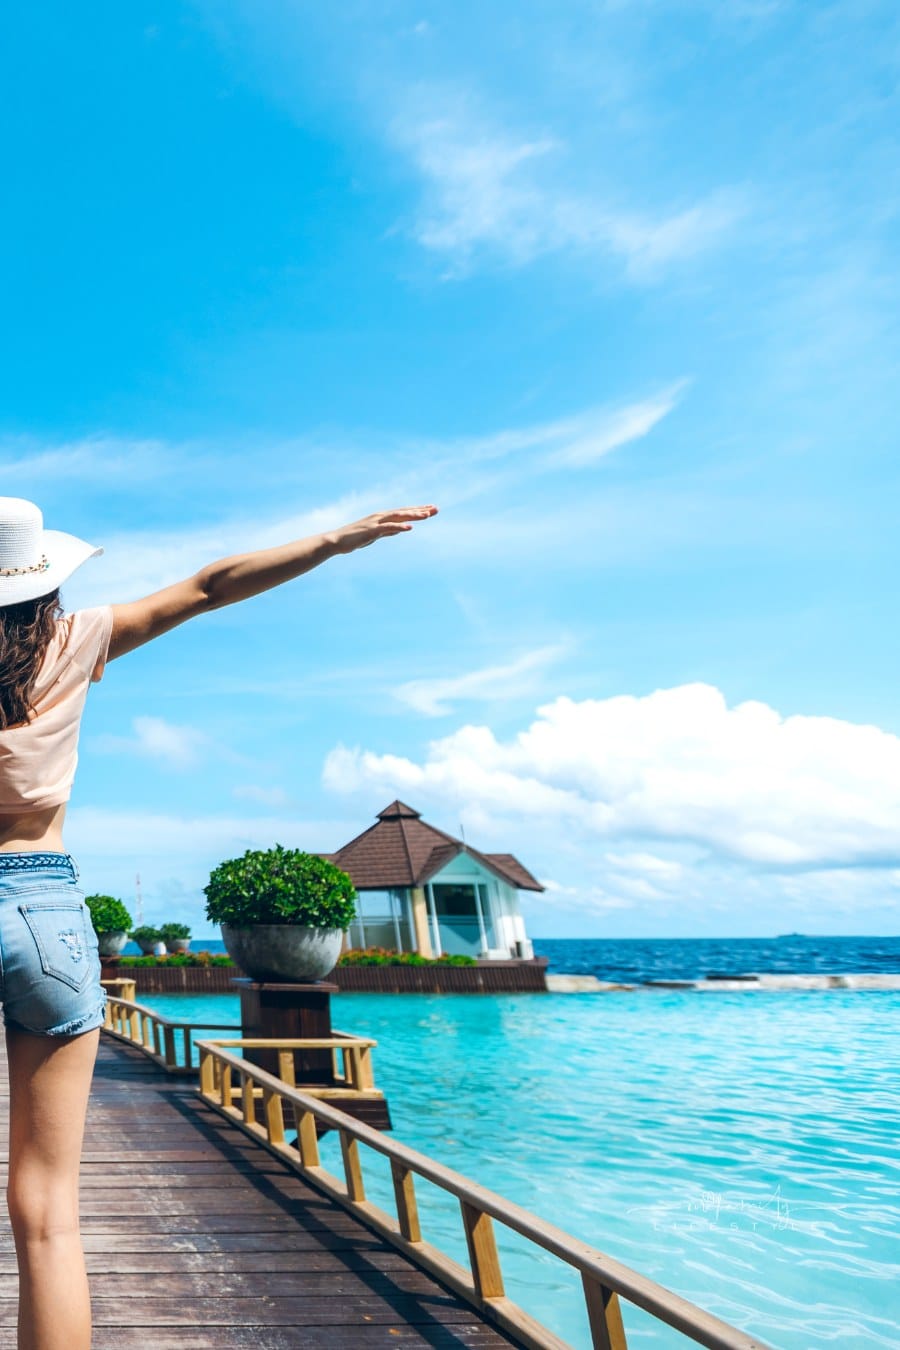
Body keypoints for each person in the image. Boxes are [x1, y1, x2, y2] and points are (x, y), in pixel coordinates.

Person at [0, 494, 437, 1350]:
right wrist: (332, 541)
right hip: (43, 909)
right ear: (45, 578)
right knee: (47, 1213)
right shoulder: (77, 637)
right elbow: (208, 588)